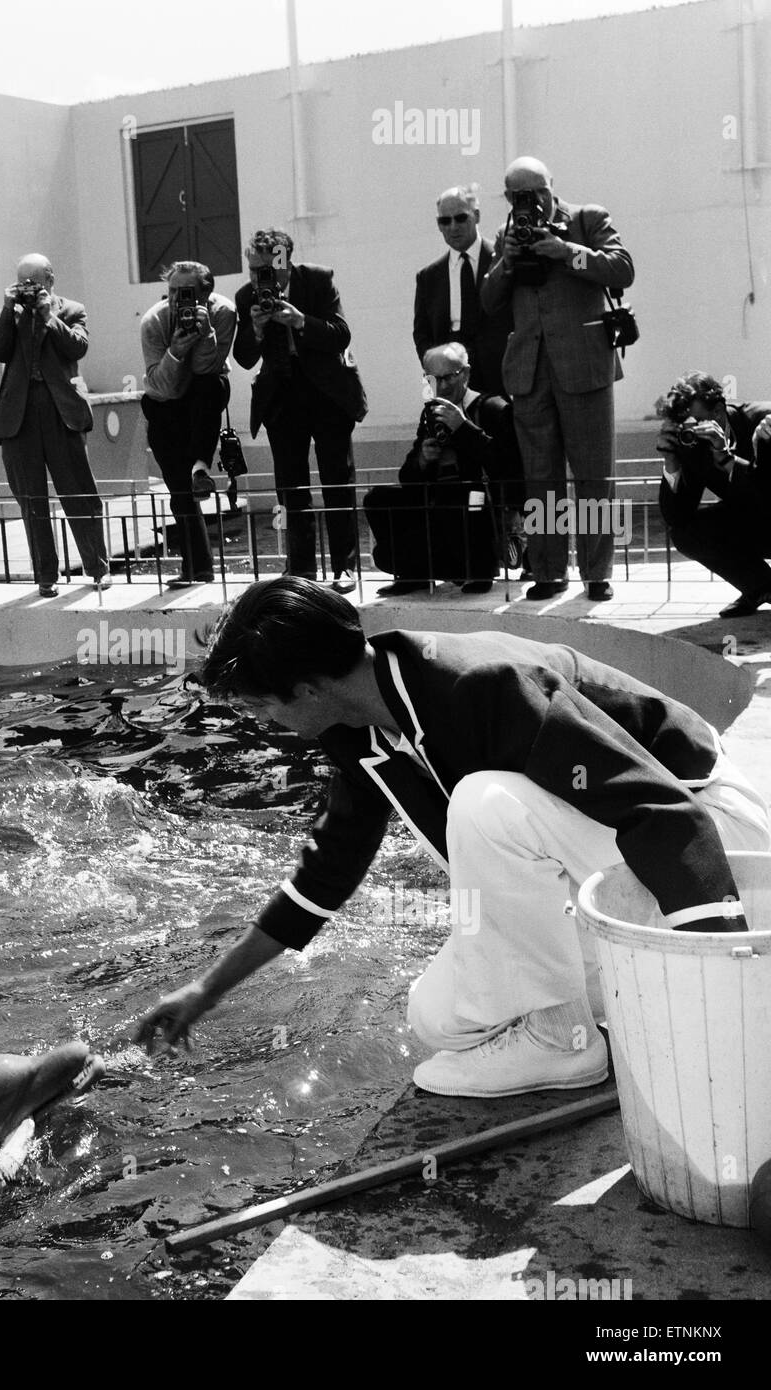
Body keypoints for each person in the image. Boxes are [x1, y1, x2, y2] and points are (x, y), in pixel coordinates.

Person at [135, 577, 770, 1097]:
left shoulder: (482, 684)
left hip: (715, 835)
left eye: (259, 706)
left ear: (305, 688)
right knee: (437, 1021)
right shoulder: (355, 729)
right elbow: (327, 872)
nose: (262, 721)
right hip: (617, 858)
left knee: (483, 804)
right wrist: (206, 990)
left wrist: (724, 980)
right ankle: (597, 1019)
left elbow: (660, 809)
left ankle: (564, 1040)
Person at [480, 157, 634, 603]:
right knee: (540, 478)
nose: (533, 203)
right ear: (509, 199)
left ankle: (596, 573)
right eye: (521, 197)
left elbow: (622, 268)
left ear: (552, 187)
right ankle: (548, 571)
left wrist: (567, 252)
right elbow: (488, 303)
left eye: (540, 193)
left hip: (585, 364)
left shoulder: (588, 219)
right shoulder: (506, 236)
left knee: (593, 475)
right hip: (530, 370)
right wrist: (506, 262)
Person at [233, 227, 364, 590]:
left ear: (285, 261)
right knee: (290, 488)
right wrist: (257, 331)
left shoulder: (318, 280)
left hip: (327, 394)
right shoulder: (247, 297)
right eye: (254, 268)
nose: (261, 277)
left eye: (269, 268)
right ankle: (301, 569)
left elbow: (341, 334)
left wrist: (300, 320)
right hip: (282, 396)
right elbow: (243, 358)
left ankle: (345, 566)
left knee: (338, 481)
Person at [0, 254, 111, 599]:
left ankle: (98, 568)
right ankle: (45, 575)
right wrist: (7, 310)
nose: (30, 289)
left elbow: (78, 347)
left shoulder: (71, 309)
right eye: (23, 283)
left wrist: (47, 315)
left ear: (50, 279)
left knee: (80, 494)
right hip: (19, 416)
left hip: (61, 412)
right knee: (31, 499)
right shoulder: (8, 315)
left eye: (36, 282)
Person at [364, 342, 523, 596]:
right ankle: (416, 576)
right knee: (378, 500)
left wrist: (465, 430)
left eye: (449, 377)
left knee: (468, 497)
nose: (443, 386)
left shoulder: (493, 409)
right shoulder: (431, 413)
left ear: (466, 374)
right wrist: (423, 460)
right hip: (440, 512)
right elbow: (408, 480)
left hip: (478, 513)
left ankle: (478, 570)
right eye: (433, 379)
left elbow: (510, 471)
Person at [139, 260, 237, 588]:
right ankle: (198, 568)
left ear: (207, 294)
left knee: (209, 386)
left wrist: (204, 332)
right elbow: (165, 387)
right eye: (172, 292)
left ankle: (200, 464)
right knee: (179, 490)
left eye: (187, 293)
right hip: (164, 404)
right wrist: (177, 349)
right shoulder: (154, 320)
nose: (178, 301)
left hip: (204, 396)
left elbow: (207, 371)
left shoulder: (222, 312)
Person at [655, 372, 771, 618]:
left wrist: (727, 458)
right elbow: (677, 517)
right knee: (687, 533)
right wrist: (670, 462)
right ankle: (761, 586)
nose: (692, 431)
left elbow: (765, 493)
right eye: (685, 425)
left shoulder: (763, 421)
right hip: (754, 521)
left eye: (698, 421)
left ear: (719, 410)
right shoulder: (691, 443)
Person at [412, 186, 510, 399]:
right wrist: (435, 369)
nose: (453, 227)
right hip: (450, 371)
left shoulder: (504, 259)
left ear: (477, 216)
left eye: (461, 218)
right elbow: (422, 332)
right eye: (445, 221)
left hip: (499, 369)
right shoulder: (429, 276)